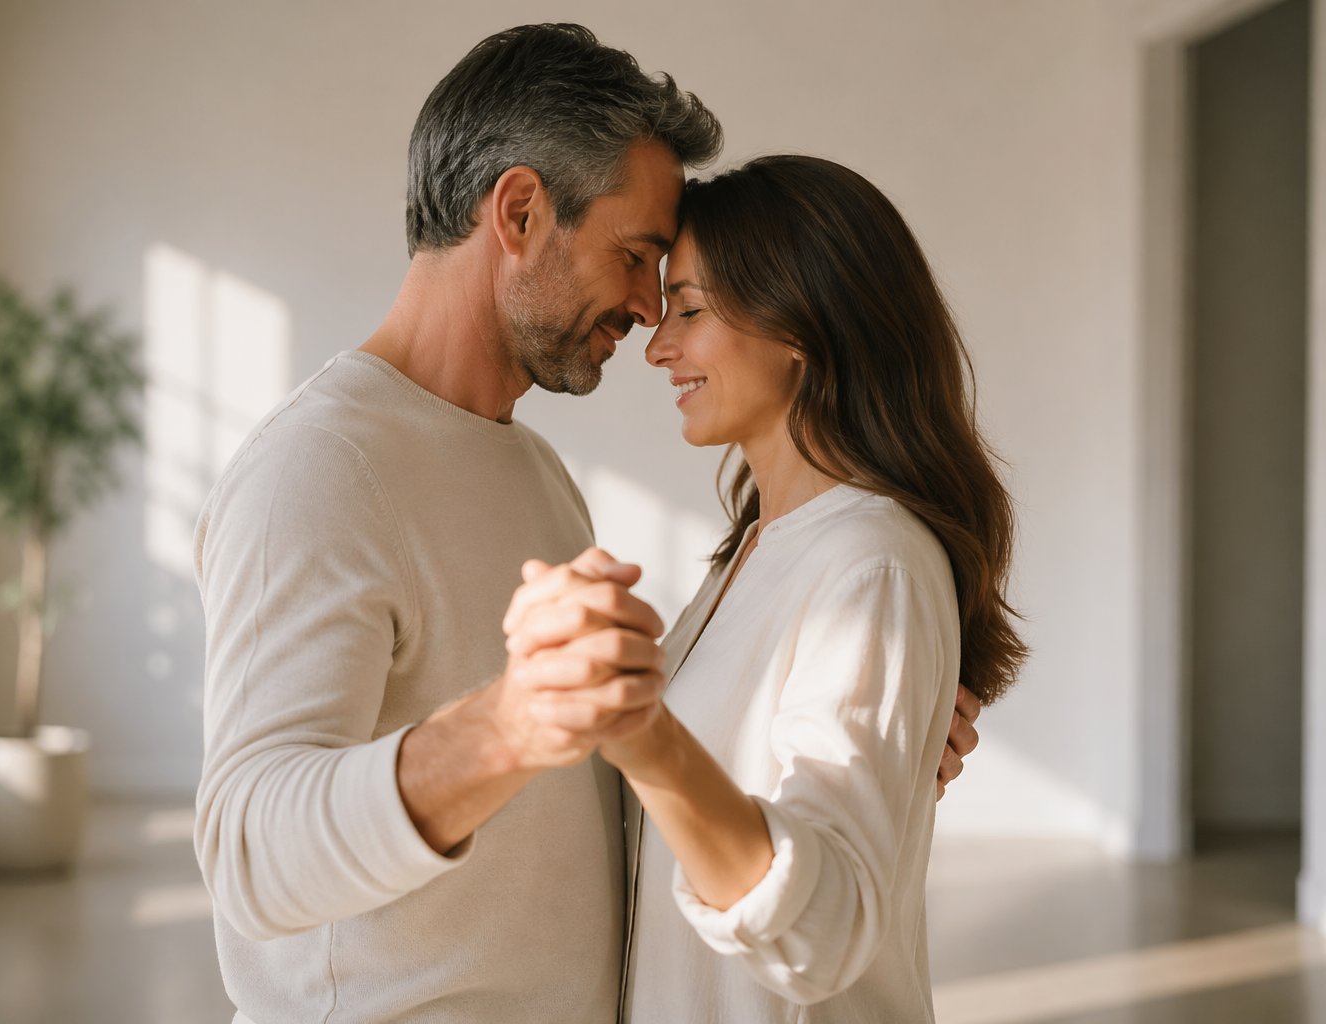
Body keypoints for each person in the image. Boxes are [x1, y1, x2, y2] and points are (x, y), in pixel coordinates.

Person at [194, 25, 979, 1023]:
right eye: (637, 254)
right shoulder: (318, 467)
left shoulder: (535, 471)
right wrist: (506, 725)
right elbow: (252, 853)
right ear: (520, 211)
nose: (651, 311)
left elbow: (591, 789)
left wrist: (829, 749)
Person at [504, 156, 1025, 1022]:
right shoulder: (751, 552)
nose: (659, 345)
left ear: (801, 326)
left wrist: (644, 732)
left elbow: (823, 932)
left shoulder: (872, 566)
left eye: (692, 309)